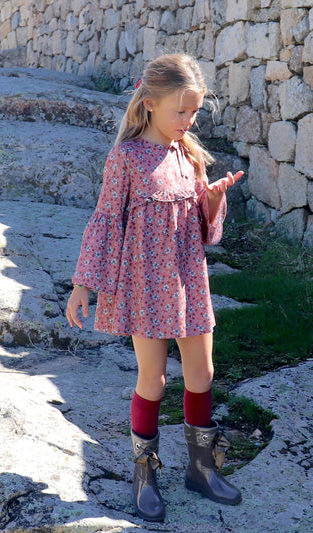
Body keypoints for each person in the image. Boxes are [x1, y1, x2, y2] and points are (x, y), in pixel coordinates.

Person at [66, 53, 244, 522]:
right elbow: (106, 221)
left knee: (202, 373)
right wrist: (85, 283)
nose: (187, 121)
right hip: (146, 286)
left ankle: (202, 468)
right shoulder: (126, 157)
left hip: (189, 280)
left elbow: (206, 233)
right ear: (148, 104)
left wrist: (212, 202)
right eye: (178, 111)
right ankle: (145, 474)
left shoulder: (190, 157)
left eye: (193, 112)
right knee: (154, 380)